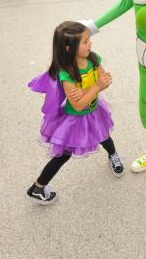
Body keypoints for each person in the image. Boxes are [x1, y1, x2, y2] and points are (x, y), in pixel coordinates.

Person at [26, 21, 124, 204]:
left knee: (104, 136)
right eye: (85, 42)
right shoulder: (67, 73)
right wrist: (95, 87)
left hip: (95, 111)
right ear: (69, 48)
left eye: (89, 40)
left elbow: (105, 81)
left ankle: (113, 155)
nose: (90, 44)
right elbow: (78, 106)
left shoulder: (93, 58)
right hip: (75, 120)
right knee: (63, 155)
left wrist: (92, 89)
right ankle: (37, 188)